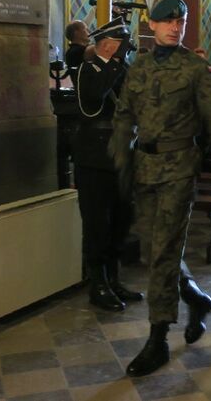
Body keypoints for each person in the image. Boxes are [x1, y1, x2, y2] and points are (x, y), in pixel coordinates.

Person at [110, 0, 211, 377]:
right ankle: (195, 299)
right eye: (166, 22)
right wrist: (120, 157)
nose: (174, 27)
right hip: (144, 168)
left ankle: (158, 339)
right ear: (152, 25)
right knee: (154, 251)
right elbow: (124, 115)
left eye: (180, 22)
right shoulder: (139, 67)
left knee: (165, 249)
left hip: (179, 169)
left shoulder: (195, 68)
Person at [74, 18, 142, 313]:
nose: (124, 51)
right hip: (95, 160)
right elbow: (94, 96)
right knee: (97, 224)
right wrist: (114, 63)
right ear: (108, 45)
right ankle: (97, 283)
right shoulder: (89, 70)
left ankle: (114, 279)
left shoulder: (122, 69)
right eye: (121, 45)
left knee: (120, 221)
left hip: (122, 156)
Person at [64, 20, 90, 87]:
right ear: (76, 33)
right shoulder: (74, 51)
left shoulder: (75, 50)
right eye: (85, 29)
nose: (89, 31)